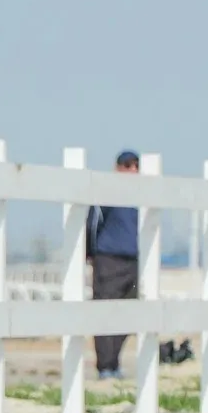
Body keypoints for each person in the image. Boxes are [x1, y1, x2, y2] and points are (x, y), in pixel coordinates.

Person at [86, 150, 141, 379]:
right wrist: (90, 252)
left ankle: (114, 362)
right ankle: (105, 367)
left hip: (132, 261)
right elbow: (93, 222)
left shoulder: (142, 196)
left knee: (130, 314)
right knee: (104, 313)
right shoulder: (107, 192)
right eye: (128, 165)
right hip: (108, 259)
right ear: (118, 167)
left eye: (136, 165)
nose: (133, 170)